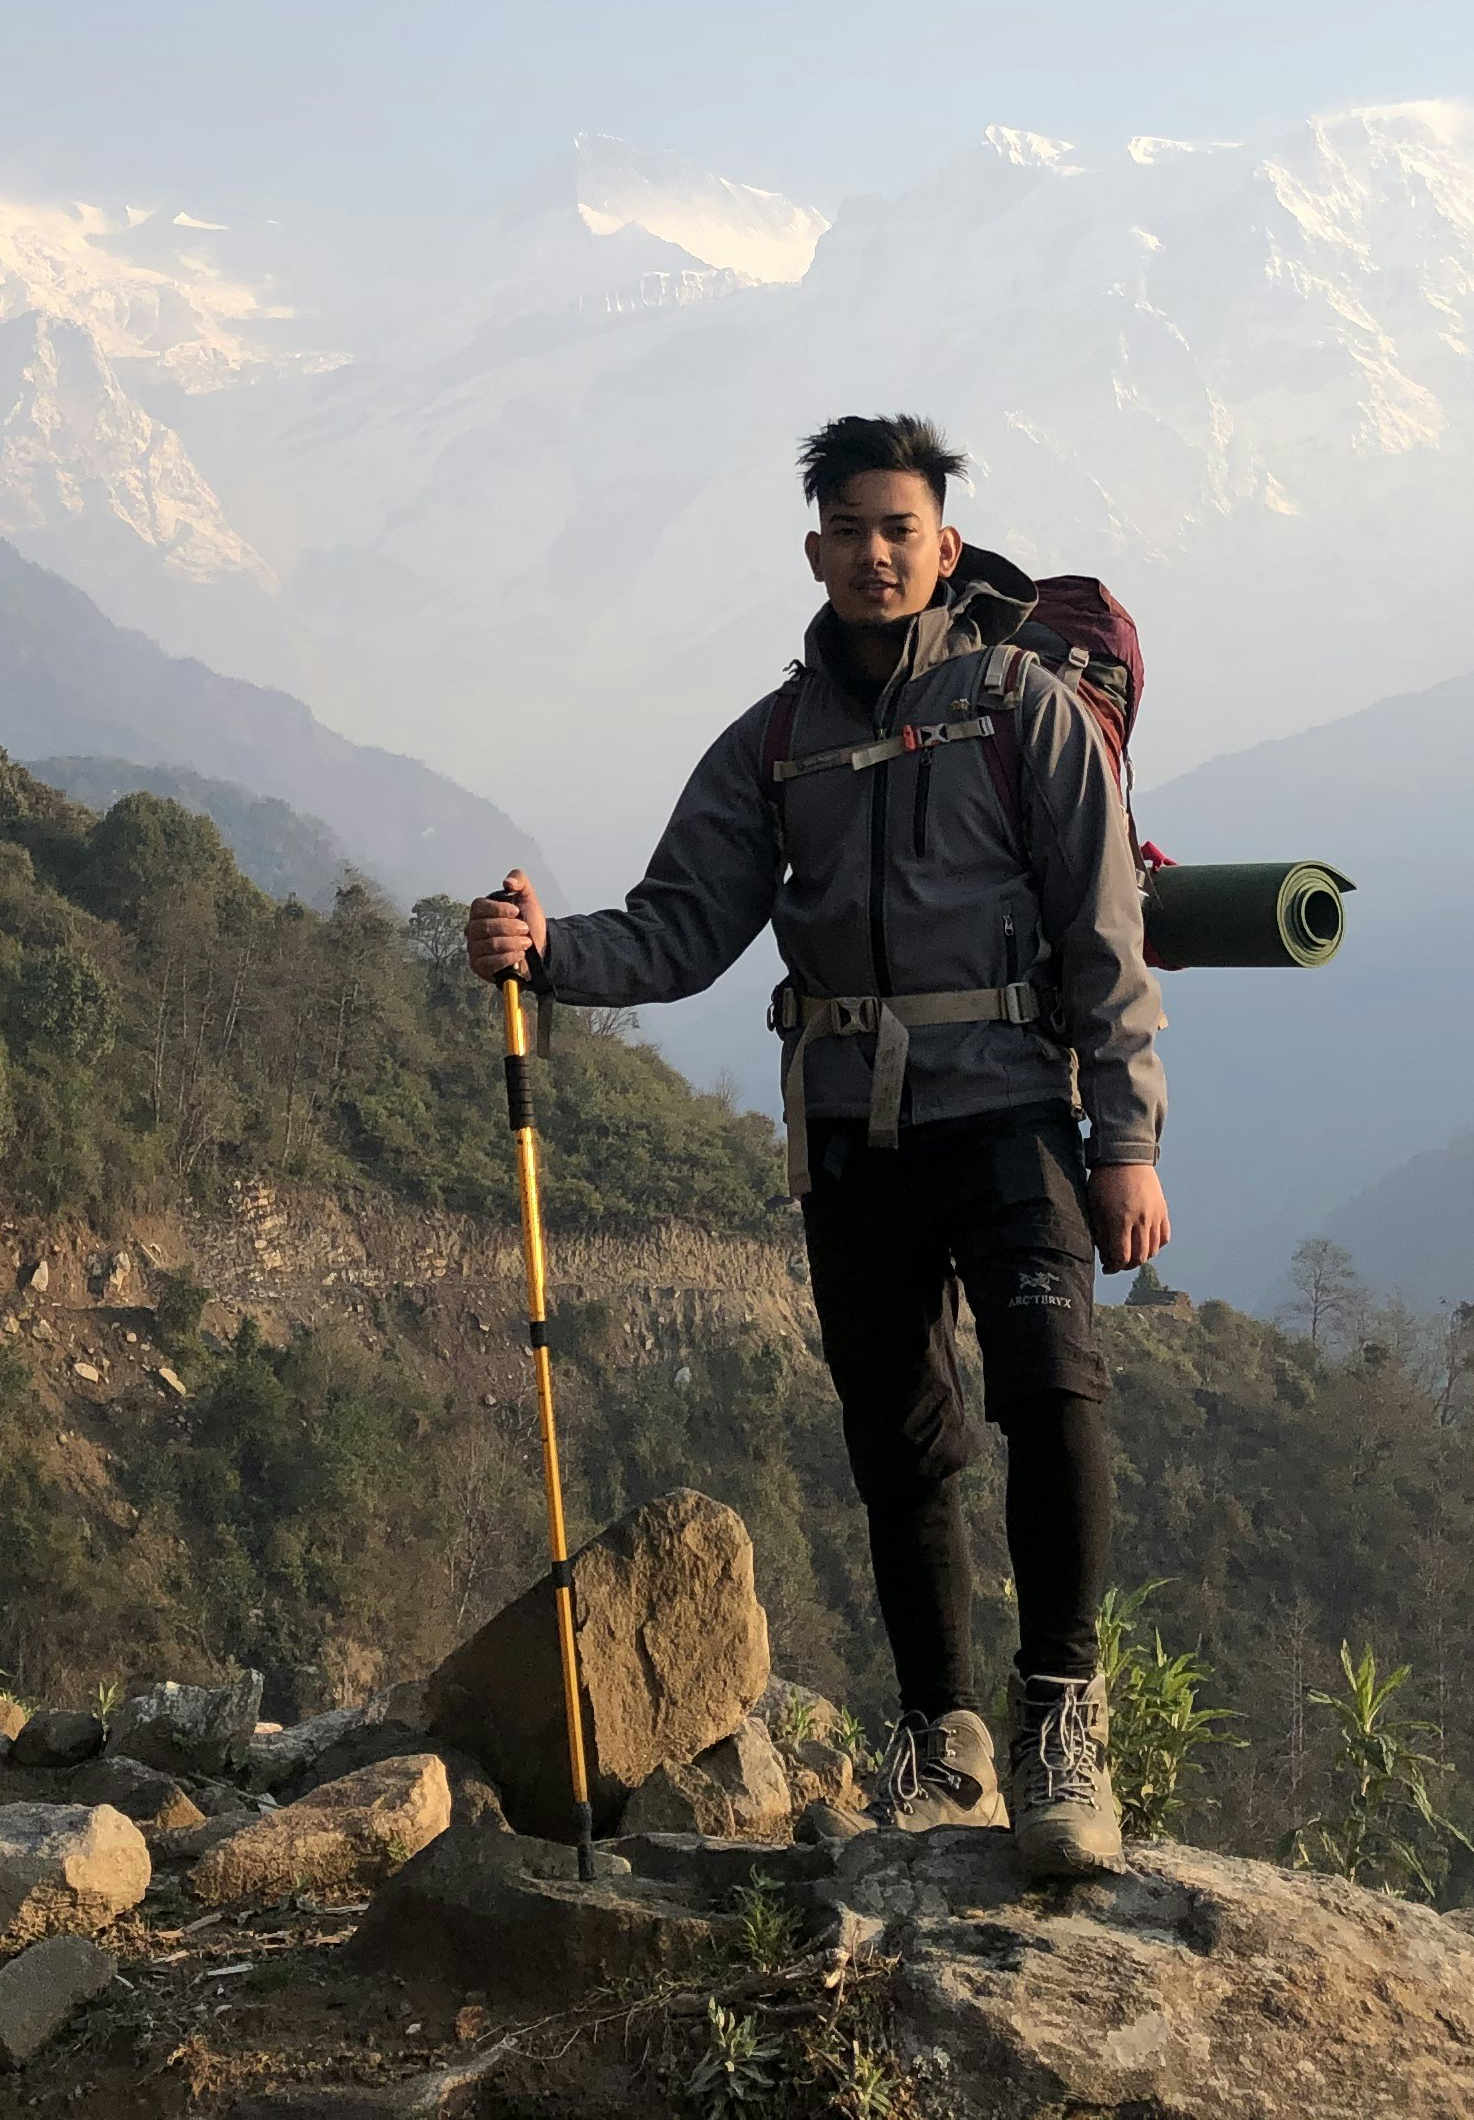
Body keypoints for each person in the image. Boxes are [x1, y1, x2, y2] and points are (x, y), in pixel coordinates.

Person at [464, 411, 1169, 1877]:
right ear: (814, 548)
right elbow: (680, 923)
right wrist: (544, 953)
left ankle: (1062, 1730)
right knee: (900, 1441)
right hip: (853, 1127)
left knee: (1051, 1394)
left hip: (1015, 1109)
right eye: (848, 529)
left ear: (945, 544)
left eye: (899, 528)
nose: (873, 553)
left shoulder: (1021, 711)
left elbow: (1105, 931)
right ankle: (941, 1739)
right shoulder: (776, 743)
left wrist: (1128, 1137)